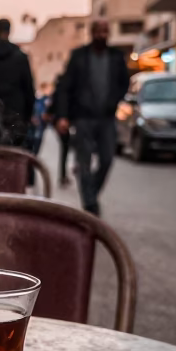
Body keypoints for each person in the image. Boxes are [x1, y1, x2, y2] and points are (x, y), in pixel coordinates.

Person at [54, 19, 130, 215]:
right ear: (92, 33)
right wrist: (62, 116)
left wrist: (114, 100)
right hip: (83, 117)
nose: (102, 35)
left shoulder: (116, 57)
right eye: (99, 31)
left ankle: (91, 194)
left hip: (107, 117)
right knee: (84, 162)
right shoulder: (79, 56)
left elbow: (124, 83)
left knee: (107, 159)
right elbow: (65, 87)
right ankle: (89, 203)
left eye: (105, 31)